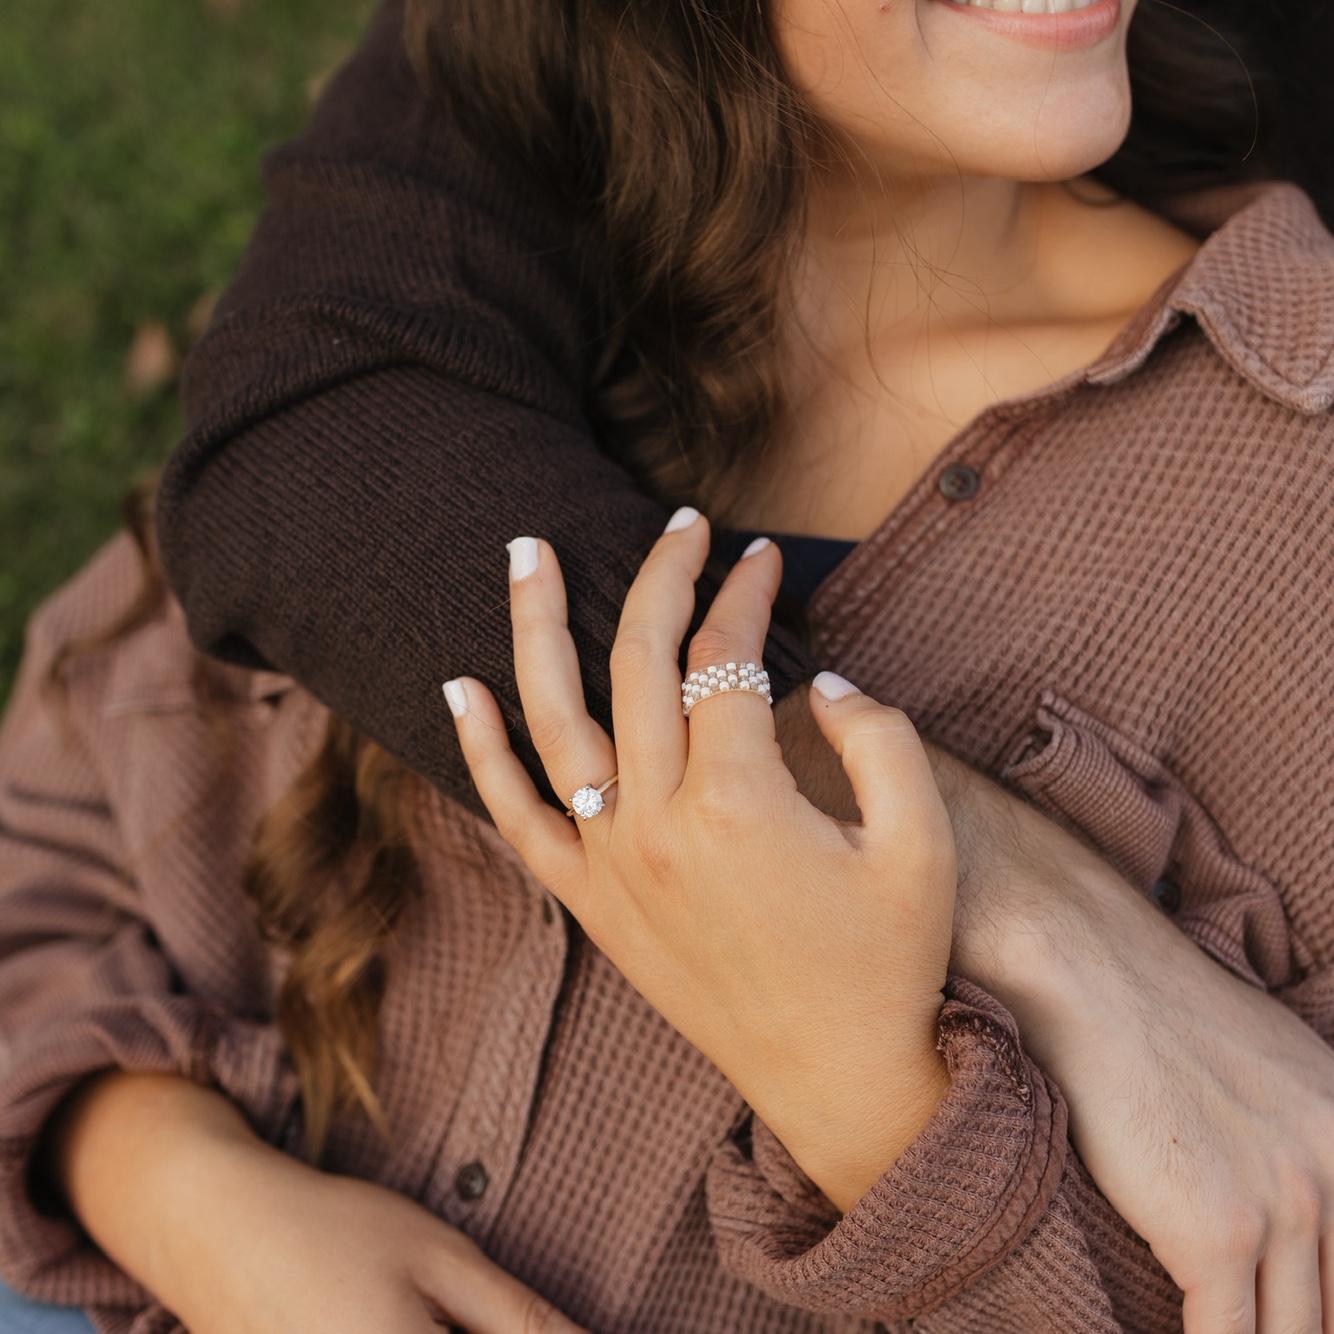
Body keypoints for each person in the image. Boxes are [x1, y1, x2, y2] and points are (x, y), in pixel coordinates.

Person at [1, 0, 1332, 1329]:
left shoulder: (1286, 497)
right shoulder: (443, 314)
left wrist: (875, 1113)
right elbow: (57, 827)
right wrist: (171, 1180)